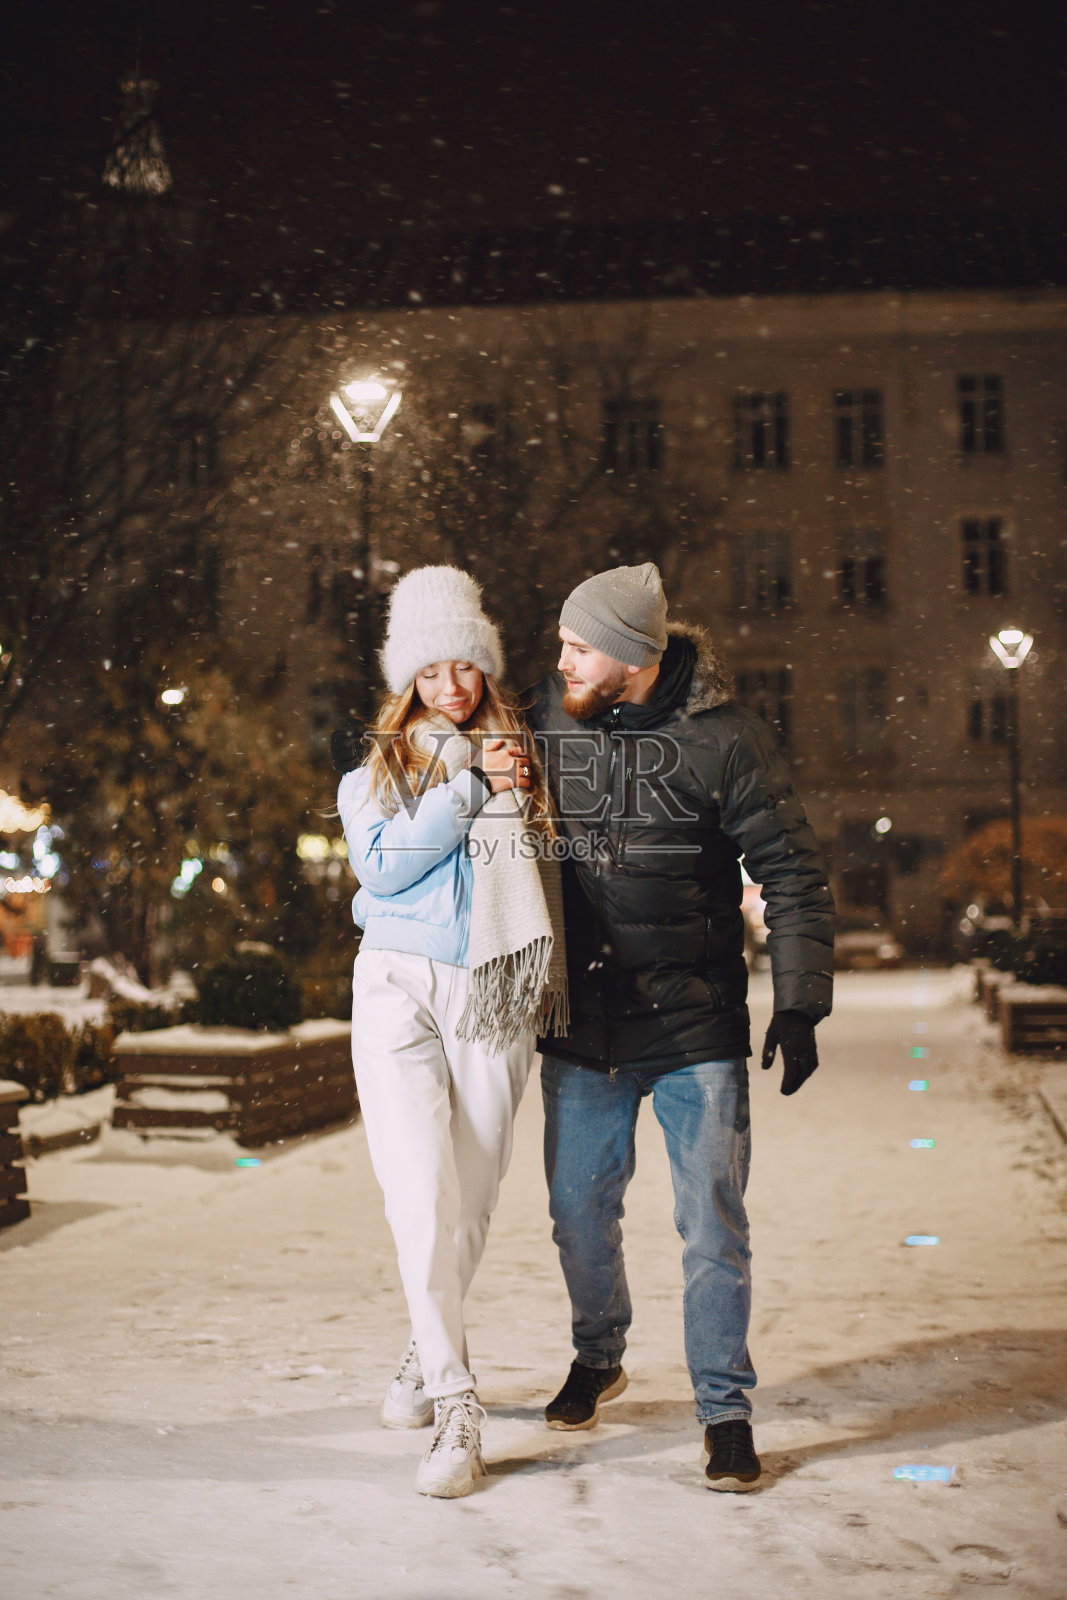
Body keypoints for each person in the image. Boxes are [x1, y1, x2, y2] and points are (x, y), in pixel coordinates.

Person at [528, 561, 835, 1491]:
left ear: (628, 656)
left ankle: (725, 1410)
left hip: (691, 1022)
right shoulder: (549, 721)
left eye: (579, 646)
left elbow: (788, 868)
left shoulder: (723, 739)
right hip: (583, 1024)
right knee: (577, 1213)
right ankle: (598, 1351)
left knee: (710, 1222)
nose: (562, 659)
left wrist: (799, 998)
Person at [336, 565, 566, 1500]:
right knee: (418, 1192)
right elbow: (385, 872)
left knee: (470, 1197)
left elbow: (555, 873)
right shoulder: (371, 776)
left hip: (493, 987)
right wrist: (468, 788)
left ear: (485, 669)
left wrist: (519, 791)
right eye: (430, 672)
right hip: (394, 984)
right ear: (406, 681)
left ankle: (420, 1351)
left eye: (464, 668)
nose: (451, 688)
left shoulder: (527, 759)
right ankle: (456, 1399)